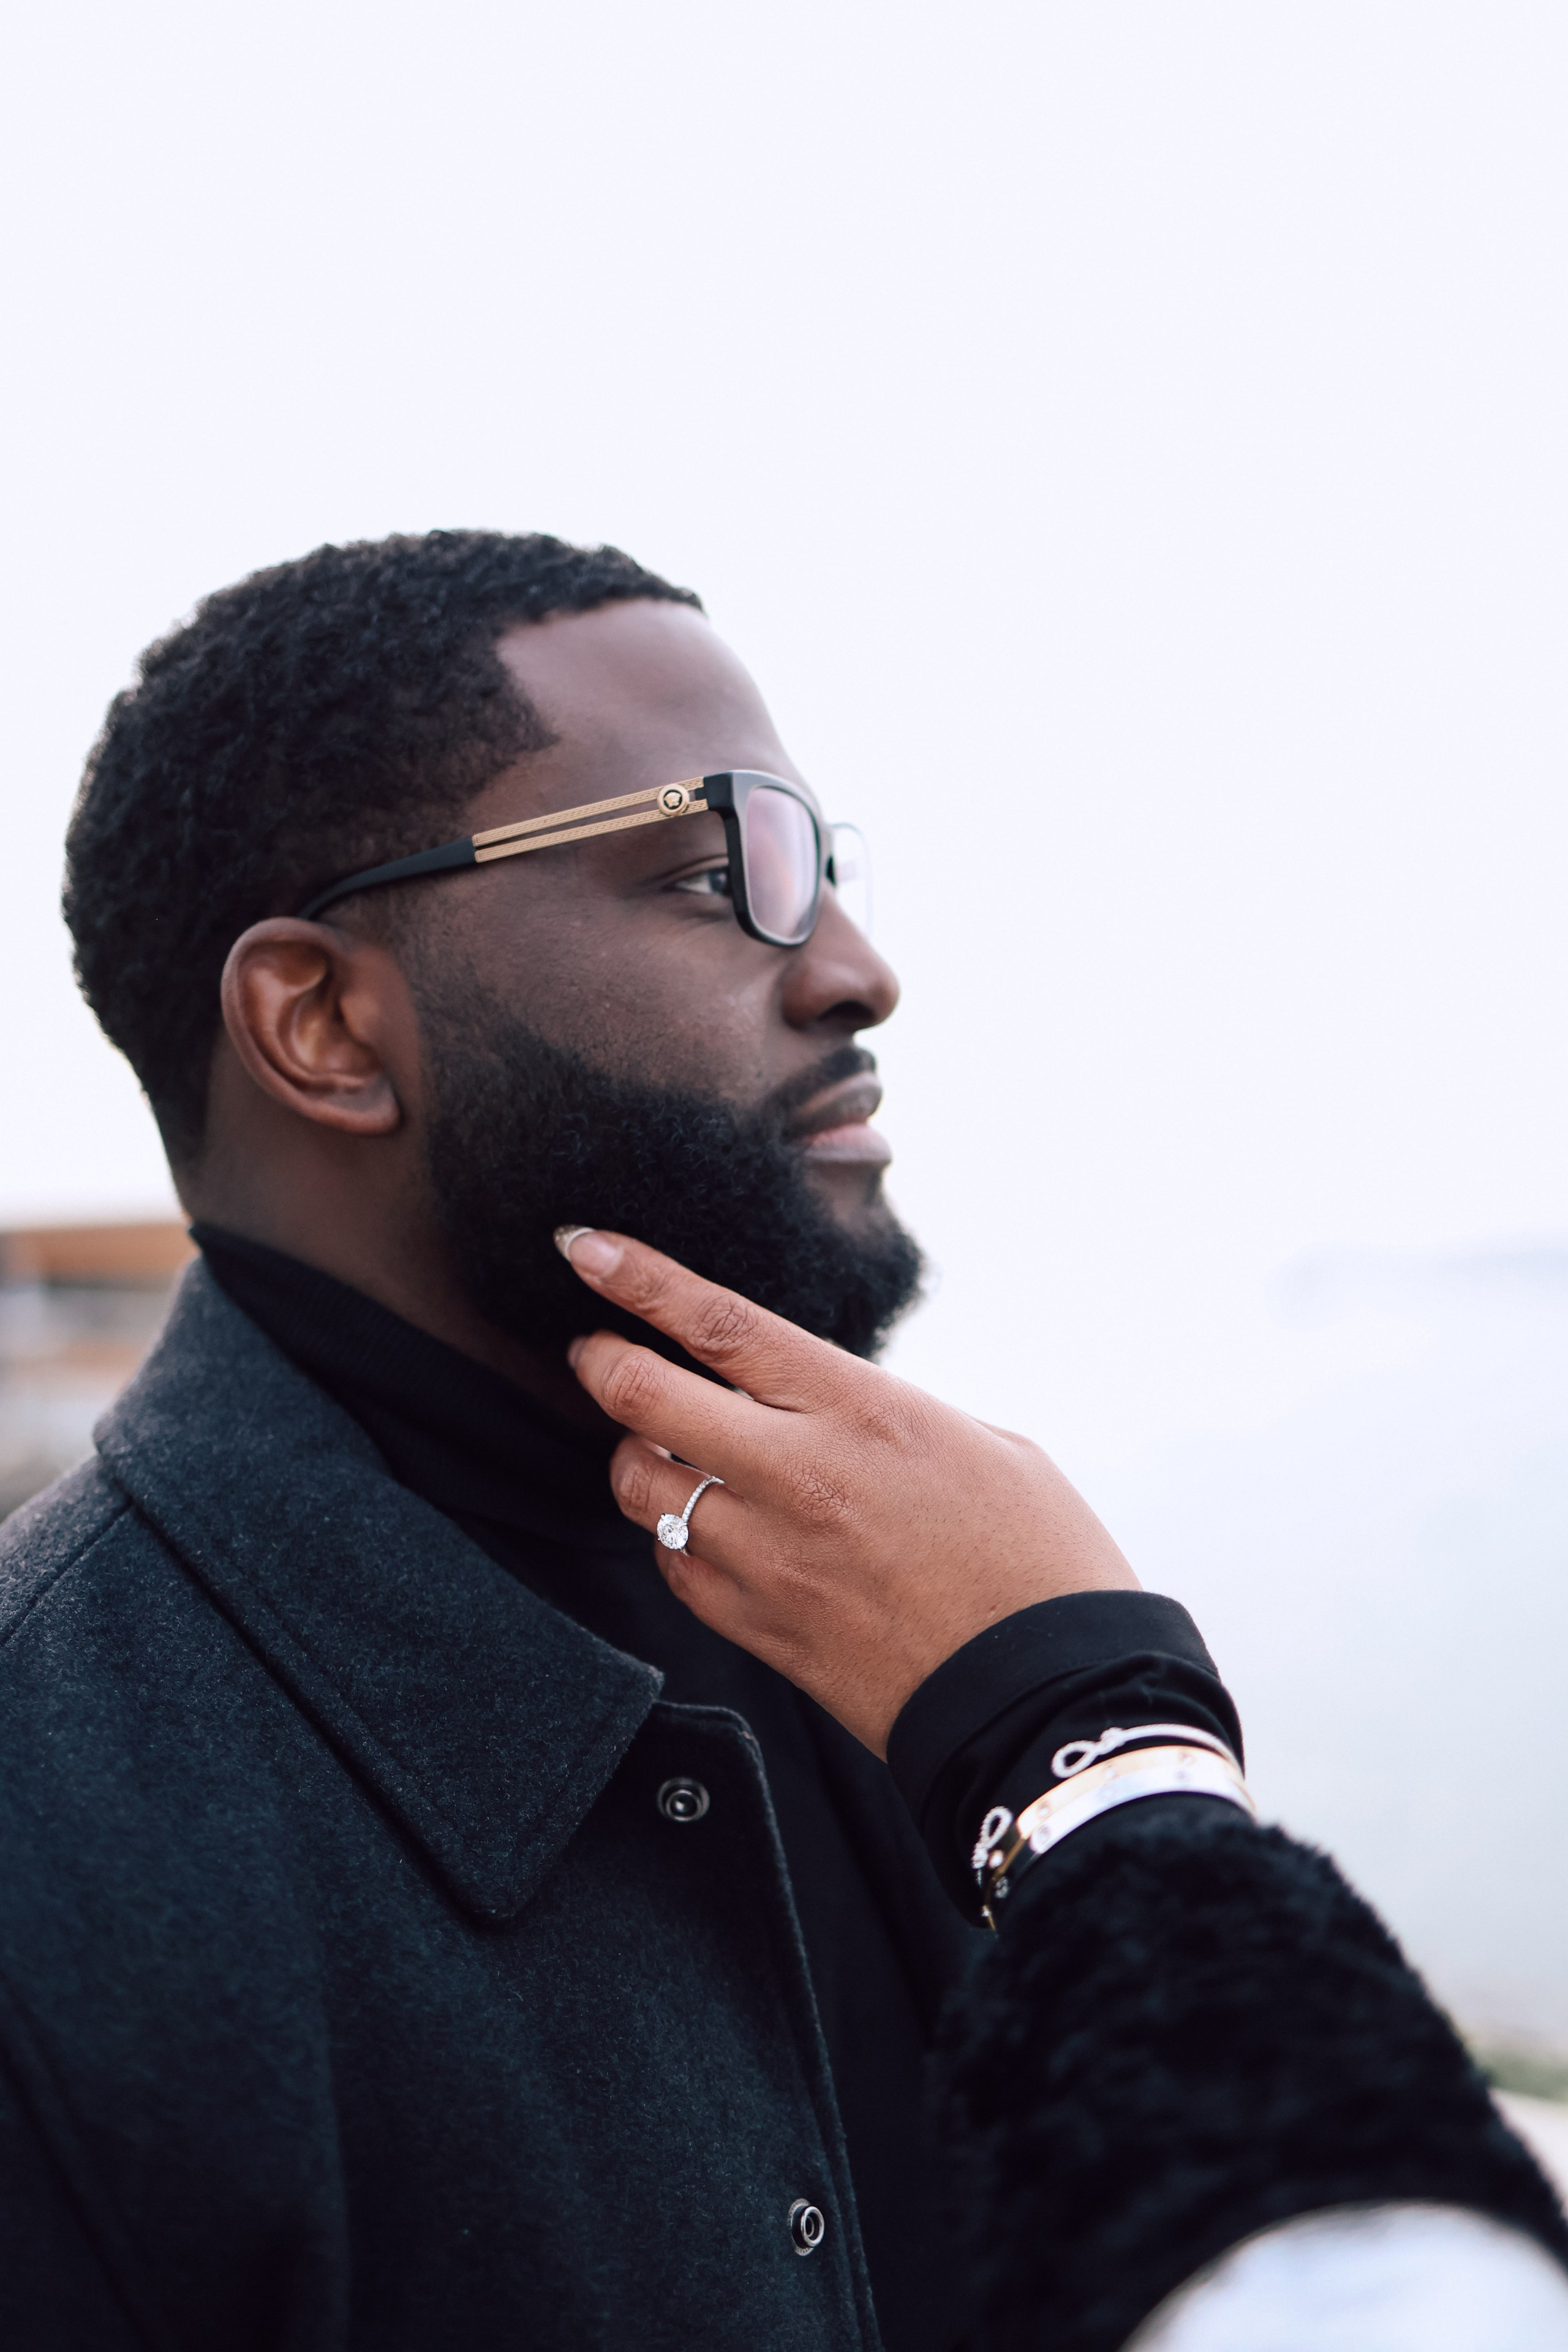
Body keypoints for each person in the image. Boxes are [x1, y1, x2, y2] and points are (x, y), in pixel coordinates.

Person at [0, 527, 1559, 2348]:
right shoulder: (55, 1852)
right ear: (327, 1024)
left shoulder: (885, 1588)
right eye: (708, 870)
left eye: (825, 868)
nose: (859, 972)